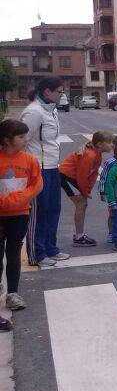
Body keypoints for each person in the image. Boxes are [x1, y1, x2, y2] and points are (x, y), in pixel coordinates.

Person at [22, 76, 69, 267]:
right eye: (59, 91)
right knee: (39, 213)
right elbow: (21, 140)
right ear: (47, 92)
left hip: (52, 167)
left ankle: (51, 248)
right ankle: (37, 253)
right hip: (37, 169)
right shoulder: (33, 112)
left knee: (53, 210)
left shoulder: (51, 110)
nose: (62, 94)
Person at [0, 119, 43, 319]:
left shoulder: (29, 160)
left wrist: (20, 198)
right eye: (21, 137)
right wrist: (6, 200)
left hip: (20, 213)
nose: (25, 139)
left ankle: (13, 293)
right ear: (7, 139)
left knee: (14, 252)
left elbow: (36, 184)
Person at [59, 130, 114, 247]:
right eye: (109, 142)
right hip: (66, 176)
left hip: (73, 177)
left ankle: (80, 235)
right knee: (81, 204)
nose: (112, 145)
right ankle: (79, 237)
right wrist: (84, 192)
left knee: (83, 204)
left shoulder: (97, 154)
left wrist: (87, 190)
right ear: (99, 144)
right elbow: (82, 176)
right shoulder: (90, 155)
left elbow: (93, 175)